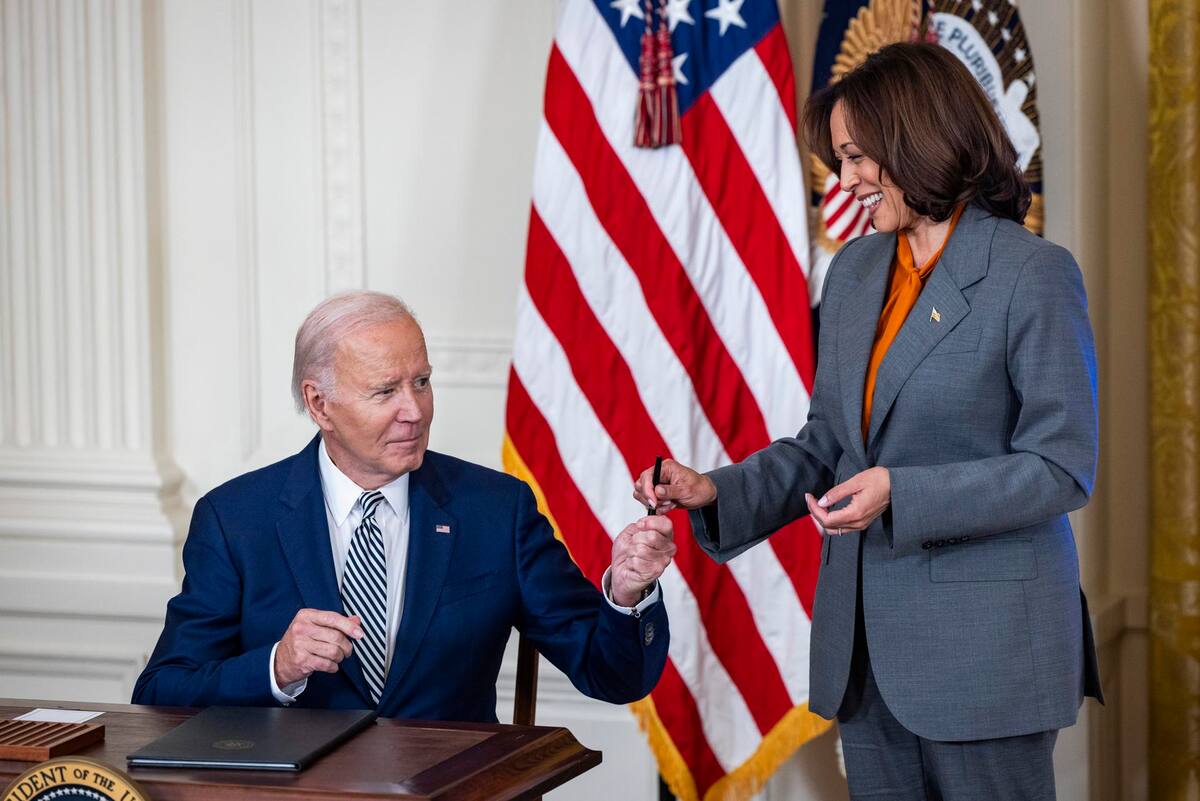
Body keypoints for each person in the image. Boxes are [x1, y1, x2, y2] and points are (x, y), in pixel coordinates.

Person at [634, 43, 1101, 801]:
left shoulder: (1033, 274)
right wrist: (716, 491)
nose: (843, 180)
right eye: (839, 159)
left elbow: (1060, 467)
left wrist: (900, 494)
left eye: (855, 157)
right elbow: (829, 443)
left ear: (916, 139)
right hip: (865, 653)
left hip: (987, 655)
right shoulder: (855, 272)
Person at [134, 291, 674, 721]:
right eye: (385, 391)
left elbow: (612, 674)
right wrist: (279, 667)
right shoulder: (235, 520)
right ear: (319, 404)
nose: (414, 411)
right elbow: (162, 693)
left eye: (421, 382)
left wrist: (628, 594)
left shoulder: (496, 511)